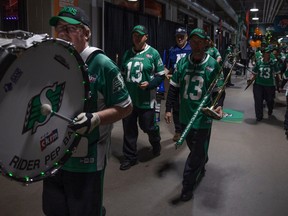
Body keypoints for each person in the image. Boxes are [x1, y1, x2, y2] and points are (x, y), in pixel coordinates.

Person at [44, 6, 132, 216]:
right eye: (59, 29)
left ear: (86, 33)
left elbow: (126, 107)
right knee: (54, 210)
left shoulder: (102, 64)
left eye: (69, 28)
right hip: (53, 153)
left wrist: (96, 118)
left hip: (86, 159)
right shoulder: (55, 60)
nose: (62, 33)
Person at [164, 28, 222, 202]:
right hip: (185, 116)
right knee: (195, 149)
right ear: (190, 43)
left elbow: (218, 92)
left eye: (200, 42)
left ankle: (187, 186)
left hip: (203, 117)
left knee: (195, 154)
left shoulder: (212, 65)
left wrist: (218, 106)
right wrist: (168, 108)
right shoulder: (182, 64)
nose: (196, 45)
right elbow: (173, 88)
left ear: (206, 43)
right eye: (193, 42)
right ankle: (201, 160)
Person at [120, 25, 165, 170]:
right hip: (129, 100)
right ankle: (130, 157)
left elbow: (160, 76)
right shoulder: (127, 53)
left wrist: (150, 84)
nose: (137, 38)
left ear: (146, 36)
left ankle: (155, 140)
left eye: (140, 35)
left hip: (146, 100)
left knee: (148, 126)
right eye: (134, 35)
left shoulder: (153, 53)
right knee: (129, 129)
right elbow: (121, 74)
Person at [165, 27, 192, 142]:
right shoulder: (172, 50)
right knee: (176, 107)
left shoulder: (191, 49)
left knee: (188, 106)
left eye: (182, 36)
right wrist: (165, 73)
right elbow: (168, 67)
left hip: (189, 83)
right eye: (178, 36)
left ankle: (189, 129)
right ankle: (178, 130)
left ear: (186, 37)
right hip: (176, 83)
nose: (180, 38)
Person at [249, 46, 281, 121]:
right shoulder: (259, 62)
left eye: (269, 53)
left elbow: (278, 73)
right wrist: (250, 79)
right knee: (258, 100)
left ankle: (270, 109)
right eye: (266, 53)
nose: (268, 54)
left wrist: (280, 80)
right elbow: (254, 73)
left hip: (269, 85)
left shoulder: (273, 63)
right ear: (263, 54)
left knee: (270, 100)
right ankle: (259, 116)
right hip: (258, 84)